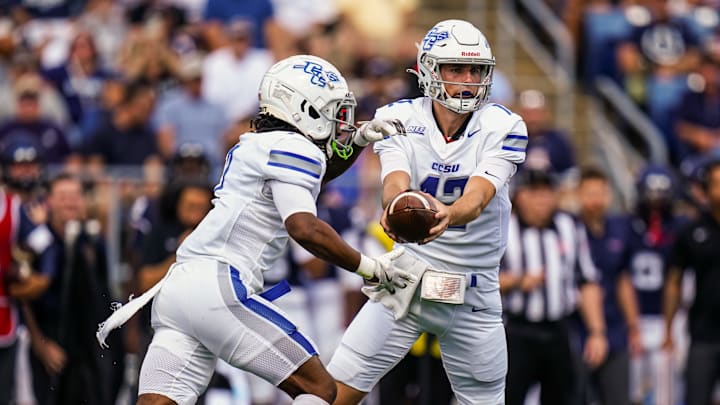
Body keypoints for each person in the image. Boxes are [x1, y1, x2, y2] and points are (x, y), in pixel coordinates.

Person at [96, 54, 415, 405]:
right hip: (218, 288)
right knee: (320, 390)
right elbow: (303, 227)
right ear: (303, 108)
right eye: (332, 110)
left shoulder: (256, 143)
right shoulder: (294, 148)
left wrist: (356, 143)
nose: (340, 121)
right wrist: (371, 268)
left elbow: (312, 178)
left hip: (179, 288)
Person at [327, 19, 528, 405]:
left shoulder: (502, 124)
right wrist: (395, 206)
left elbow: (479, 195)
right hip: (409, 278)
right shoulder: (400, 116)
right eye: (456, 68)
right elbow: (395, 180)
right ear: (429, 69)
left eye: (476, 70)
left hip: (474, 291)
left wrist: (448, 215)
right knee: (334, 392)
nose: (468, 79)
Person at [500, 169, 607, 405]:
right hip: (517, 330)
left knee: (564, 397)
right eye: (534, 192)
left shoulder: (569, 226)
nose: (541, 200)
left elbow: (587, 281)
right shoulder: (502, 228)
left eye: (547, 192)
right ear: (520, 196)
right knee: (507, 397)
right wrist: (517, 281)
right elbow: (480, 282)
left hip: (558, 331)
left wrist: (597, 332)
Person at [576, 167, 642, 405]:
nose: (595, 200)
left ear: (609, 195)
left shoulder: (619, 228)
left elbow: (623, 279)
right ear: (578, 195)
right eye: (589, 193)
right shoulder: (569, 229)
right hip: (578, 329)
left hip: (615, 327)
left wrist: (634, 325)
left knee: (618, 397)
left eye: (600, 193)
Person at [663, 158, 720, 405]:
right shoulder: (691, 232)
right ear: (706, 190)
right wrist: (668, 329)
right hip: (703, 335)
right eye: (717, 183)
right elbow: (674, 281)